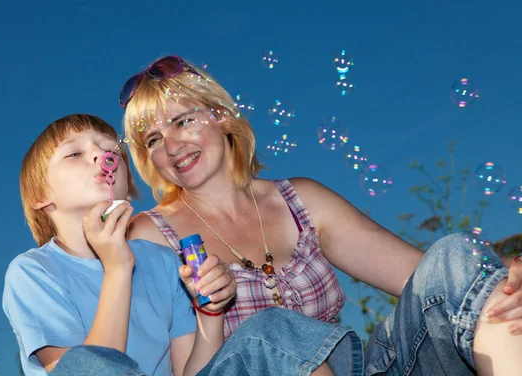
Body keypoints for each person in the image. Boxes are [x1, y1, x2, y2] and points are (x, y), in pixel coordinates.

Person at [121, 55, 522, 375]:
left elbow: (431, 278)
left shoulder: (301, 201)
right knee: (272, 330)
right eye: (154, 139)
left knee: (456, 255)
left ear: (221, 116)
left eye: (183, 121)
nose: (171, 146)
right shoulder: (151, 236)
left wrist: (506, 273)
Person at [2, 114, 361, 376]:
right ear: (40, 196)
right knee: (84, 362)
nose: (102, 156)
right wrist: (117, 267)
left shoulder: (160, 260)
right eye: (74, 154)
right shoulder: (34, 272)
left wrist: (209, 313)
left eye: (112, 150)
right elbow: (91, 370)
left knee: (270, 328)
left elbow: (193, 372)